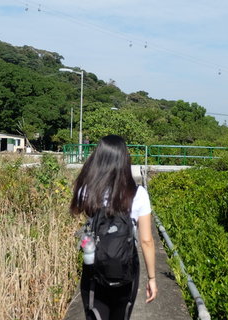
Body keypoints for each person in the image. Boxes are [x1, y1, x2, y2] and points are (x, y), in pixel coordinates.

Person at [70, 135, 157, 320]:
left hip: (94, 265)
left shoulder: (86, 190)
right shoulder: (138, 194)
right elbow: (146, 240)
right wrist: (152, 278)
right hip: (126, 268)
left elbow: (78, 212)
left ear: (98, 157)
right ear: (125, 159)